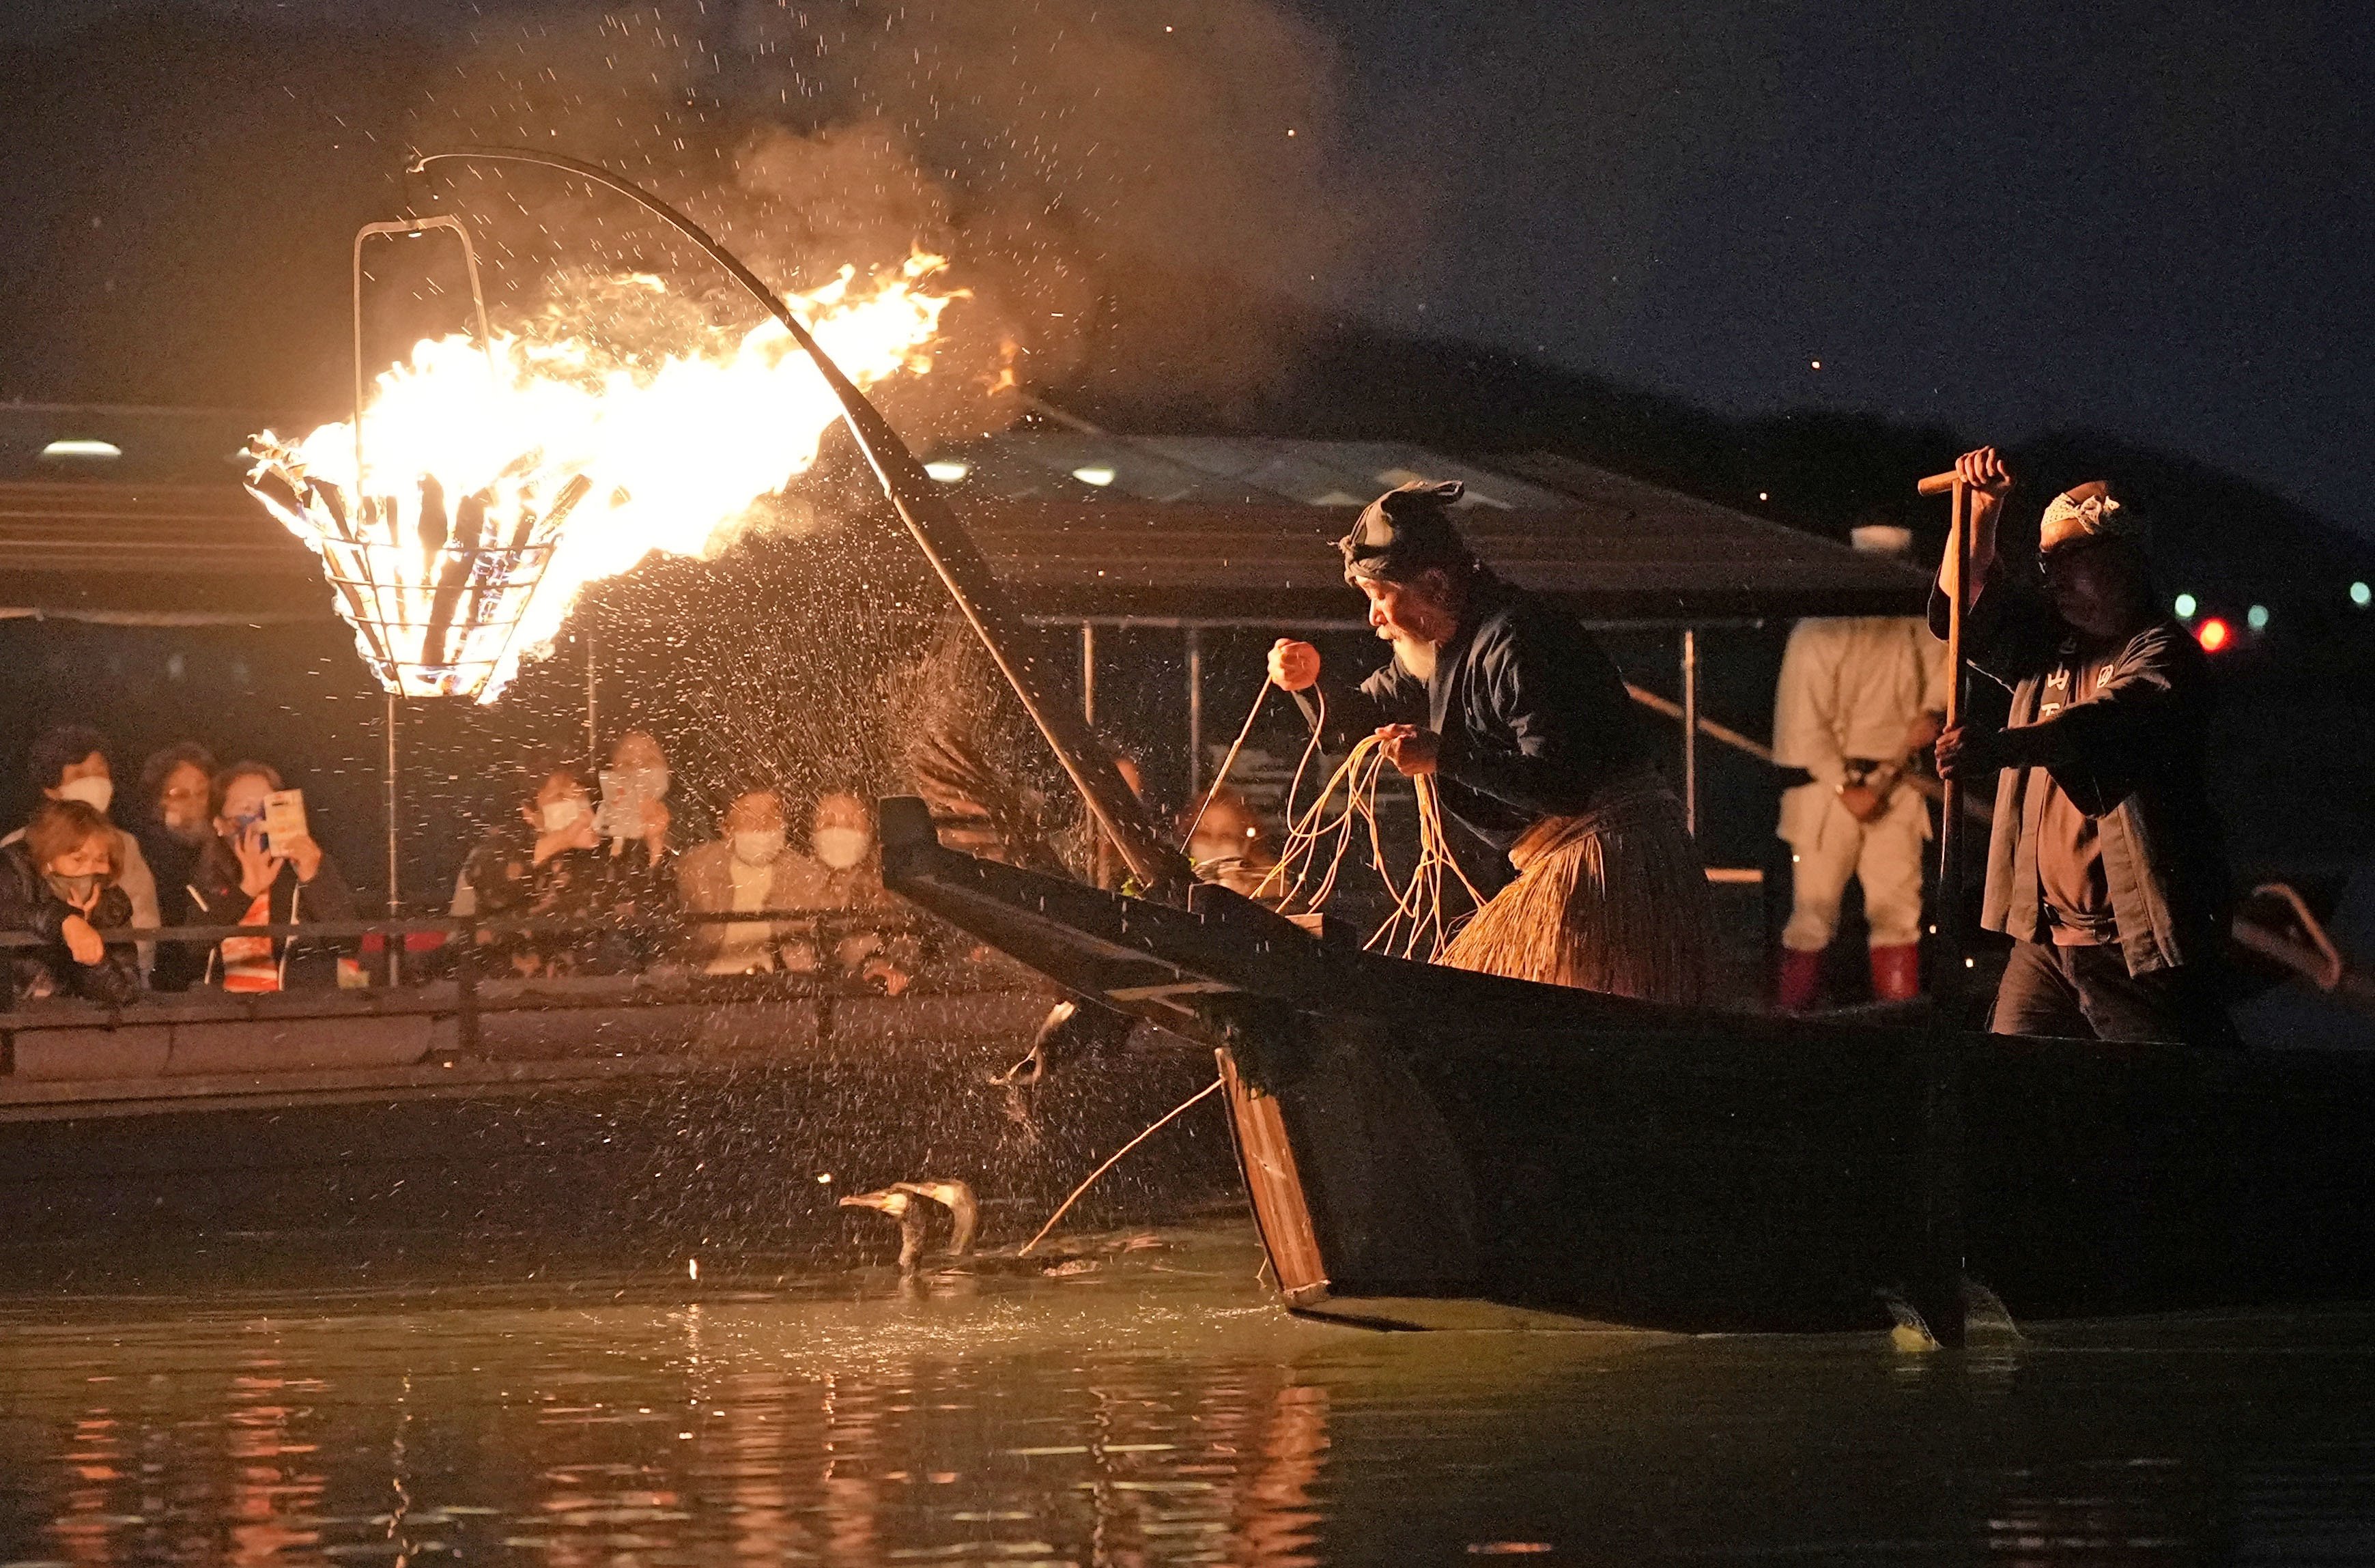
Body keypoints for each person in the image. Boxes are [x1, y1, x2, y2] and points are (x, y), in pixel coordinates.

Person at [1268, 479, 1713, 1003]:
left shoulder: (1518, 637)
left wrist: (1443, 756)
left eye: (1378, 595)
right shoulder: (1437, 646)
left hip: (1608, 862)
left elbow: (1562, 785)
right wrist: (1309, 679)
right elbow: (1350, 723)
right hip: (1556, 863)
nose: (1373, 618)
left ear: (1432, 584)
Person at [1931, 447, 2236, 1045]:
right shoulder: (2048, 642)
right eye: (2048, 565)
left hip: (2135, 946)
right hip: (2044, 943)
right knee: (2009, 1094)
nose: (2055, 580)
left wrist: (1997, 749)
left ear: (2125, 561)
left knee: (2158, 1112)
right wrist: (1982, 514)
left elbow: (2097, 726)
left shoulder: (2163, 653)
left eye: (2073, 561)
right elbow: (1959, 612)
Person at [1772, 521, 1950, 1008]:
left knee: (1898, 915)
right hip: (1825, 796)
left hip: (1899, 786)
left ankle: (1898, 1037)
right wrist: (1842, 786)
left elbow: (1941, 688)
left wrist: (1930, 717)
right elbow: (1804, 720)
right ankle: (1793, 1034)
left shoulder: (1921, 625)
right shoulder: (1818, 629)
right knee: (1811, 915)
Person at [461, 760, 674, 977]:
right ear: (530, 813)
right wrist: (563, 838)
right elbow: (487, 879)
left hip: (590, 995)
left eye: (578, 793)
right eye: (560, 797)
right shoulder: (506, 844)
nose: (575, 802)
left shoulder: (601, 855)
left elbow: (650, 909)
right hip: (508, 995)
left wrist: (655, 841)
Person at [181, 760, 360, 992]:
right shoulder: (204, 882)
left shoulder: (306, 868)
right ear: (220, 824)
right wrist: (246, 891)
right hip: (225, 1017)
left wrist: (314, 878)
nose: (259, 821)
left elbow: (348, 943)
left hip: (298, 1014)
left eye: (267, 807)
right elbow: (192, 950)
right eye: (245, 809)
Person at [5, 726, 159, 983]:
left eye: (100, 771)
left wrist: (131, 979)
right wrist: (66, 922)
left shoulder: (125, 845)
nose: (94, 781)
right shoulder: (17, 847)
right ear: (51, 789)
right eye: (79, 774)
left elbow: (144, 926)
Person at [0, 798, 139, 1004]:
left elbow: (124, 993)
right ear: (48, 860)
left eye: (100, 860)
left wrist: (95, 959)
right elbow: (8, 911)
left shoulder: (112, 905)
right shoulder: (14, 869)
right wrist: (64, 920)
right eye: (78, 859)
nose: (90, 869)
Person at [787, 791, 920, 993]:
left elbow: (906, 940)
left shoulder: (890, 880)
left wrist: (877, 963)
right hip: (800, 998)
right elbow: (787, 940)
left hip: (863, 998)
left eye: (851, 824)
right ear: (812, 831)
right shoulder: (793, 880)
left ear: (870, 831)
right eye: (829, 824)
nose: (839, 832)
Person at [676, 787, 810, 975]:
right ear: (726, 828)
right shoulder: (697, 868)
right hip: (705, 986)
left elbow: (812, 942)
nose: (762, 825)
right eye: (749, 817)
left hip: (780, 987)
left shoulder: (803, 872)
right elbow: (676, 940)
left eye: (772, 816)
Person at [130, 741, 218, 991]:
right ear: (158, 804)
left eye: (202, 793)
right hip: (165, 987)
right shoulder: (144, 852)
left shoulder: (226, 848)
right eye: (180, 795)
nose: (195, 804)